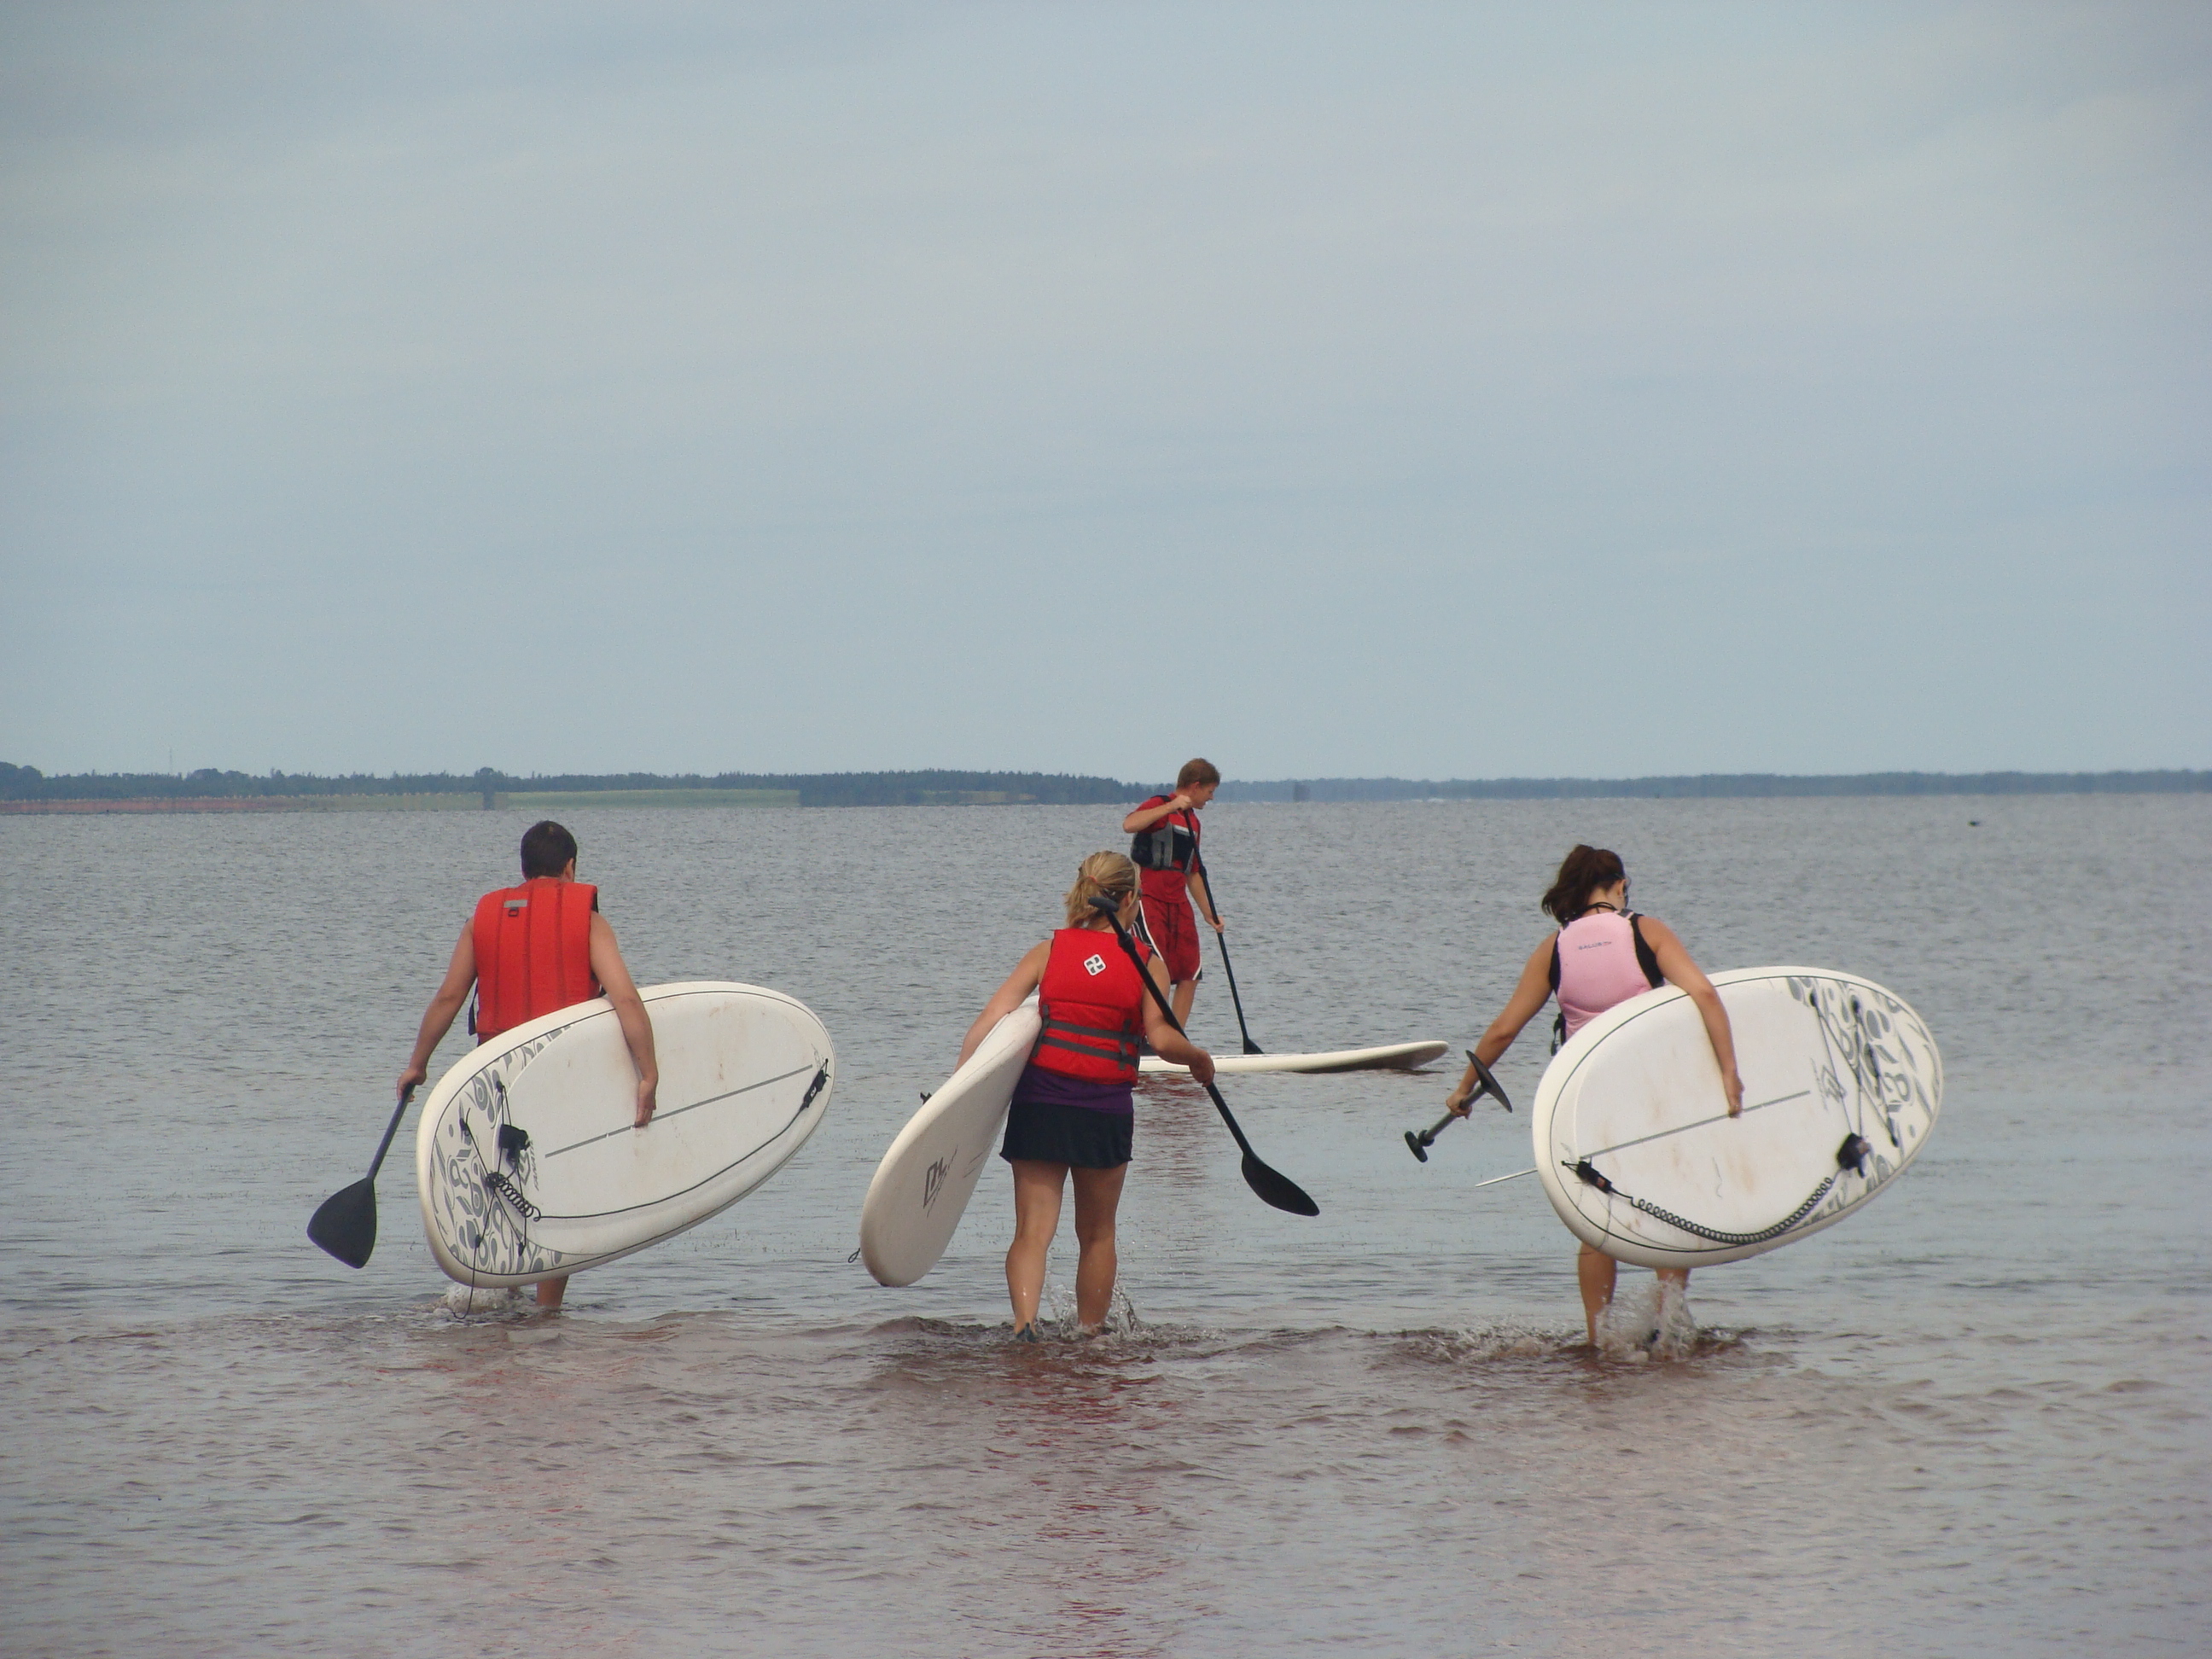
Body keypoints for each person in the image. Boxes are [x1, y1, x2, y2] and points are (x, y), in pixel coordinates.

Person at [1444, 844, 1743, 1347]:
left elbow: (1503, 1031)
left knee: (1596, 1219)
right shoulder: (1643, 931)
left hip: (1583, 1101)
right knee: (1666, 1203)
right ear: (1619, 885)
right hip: (1651, 1093)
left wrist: (1463, 1089)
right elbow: (1706, 994)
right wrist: (1729, 1074)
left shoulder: (1554, 948)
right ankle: (1669, 1330)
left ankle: (1598, 1340)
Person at [397, 820, 659, 1310]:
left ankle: (500, 1300)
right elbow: (623, 997)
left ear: (522, 870)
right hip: (560, 1079)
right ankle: (546, 1316)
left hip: (495, 1082)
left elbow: (450, 997)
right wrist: (648, 1074)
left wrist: (417, 1065)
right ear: (570, 868)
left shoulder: (483, 921)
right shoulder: (590, 923)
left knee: (508, 1185)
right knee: (556, 1197)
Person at [957, 851, 1214, 1340]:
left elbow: (990, 1021)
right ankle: (1091, 1338)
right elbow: (1161, 1040)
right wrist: (1199, 1058)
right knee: (1097, 1235)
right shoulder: (1147, 964)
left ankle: (1025, 1326)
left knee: (1033, 1232)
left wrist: (957, 1088)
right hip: (1103, 1108)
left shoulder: (1047, 951)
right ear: (1132, 900)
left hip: (1041, 1103)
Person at [1121, 759, 1224, 1029]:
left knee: (1191, 973)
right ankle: (1149, 1035)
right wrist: (1170, 806)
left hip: (1179, 904)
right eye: (1210, 792)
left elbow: (1193, 873)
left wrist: (1209, 914)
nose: (1211, 798)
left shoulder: (1194, 823)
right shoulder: (1159, 804)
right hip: (1150, 899)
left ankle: (1175, 1037)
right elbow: (1129, 824)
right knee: (1158, 972)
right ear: (1195, 786)